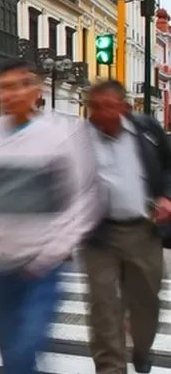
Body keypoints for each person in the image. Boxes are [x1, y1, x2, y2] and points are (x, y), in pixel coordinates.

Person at [0, 58, 101, 374]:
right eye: (5, 87)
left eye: (21, 85)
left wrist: (55, 249)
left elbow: (83, 197)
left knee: (25, 345)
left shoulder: (63, 135)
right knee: (9, 345)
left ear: (36, 89)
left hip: (41, 267)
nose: (13, 94)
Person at [84, 80, 171, 374]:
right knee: (103, 308)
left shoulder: (147, 131)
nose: (100, 113)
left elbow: (169, 166)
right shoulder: (80, 138)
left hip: (143, 230)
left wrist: (167, 197)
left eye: (108, 106)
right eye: (94, 106)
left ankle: (143, 347)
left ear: (124, 107)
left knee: (145, 301)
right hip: (99, 236)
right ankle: (111, 368)